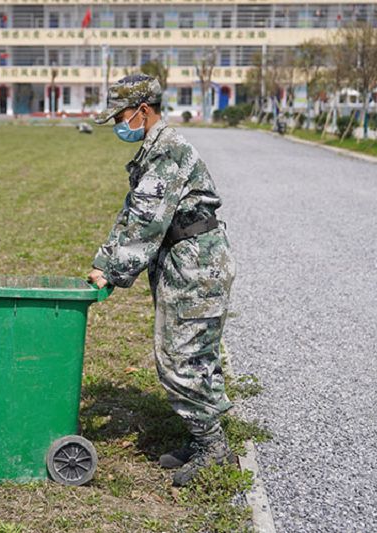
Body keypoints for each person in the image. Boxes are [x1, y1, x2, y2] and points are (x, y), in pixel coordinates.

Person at [86, 74, 237, 487]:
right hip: (186, 259)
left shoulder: (166, 153)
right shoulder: (153, 151)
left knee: (180, 358)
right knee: (191, 353)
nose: (119, 123)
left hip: (196, 265)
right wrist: (104, 259)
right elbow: (133, 213)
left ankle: (213, 447)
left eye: (121, 115)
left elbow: (146, 226)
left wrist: (113, 273)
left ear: (143, 110)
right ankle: (200, 434)